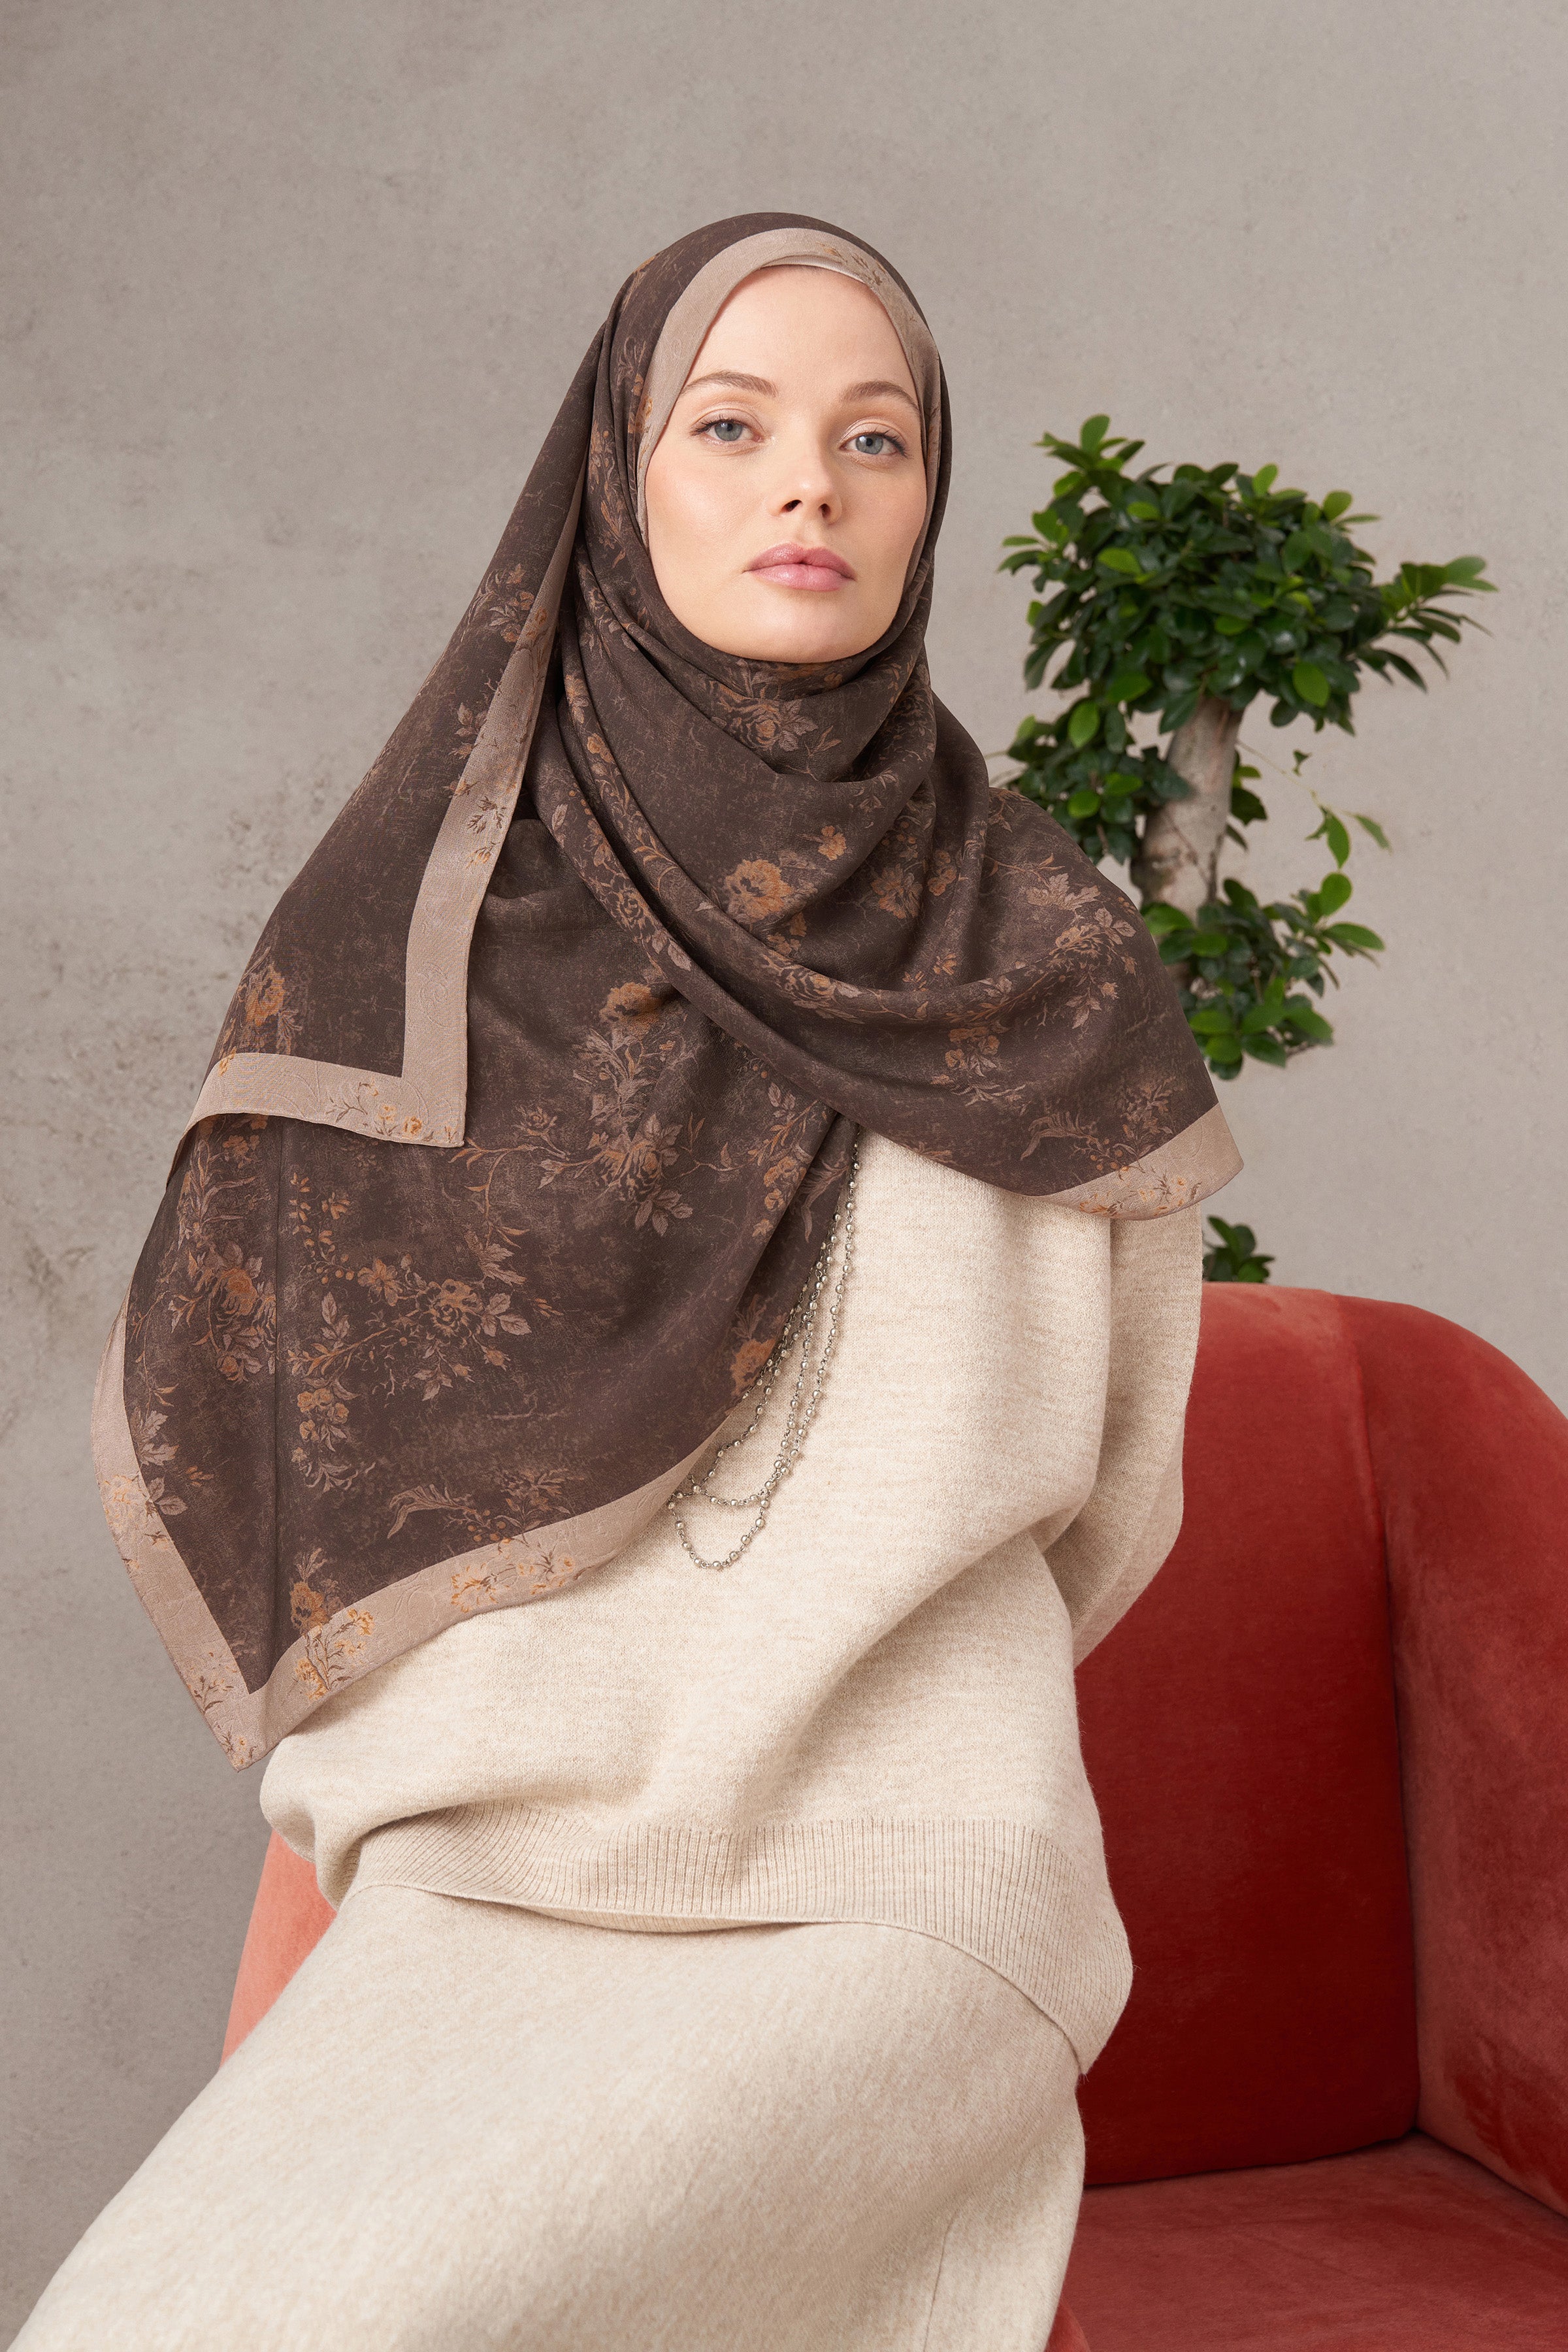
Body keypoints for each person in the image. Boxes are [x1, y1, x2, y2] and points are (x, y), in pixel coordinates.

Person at [19, 212, 1239, 2351]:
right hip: (479, 1893)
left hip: (899, 1894)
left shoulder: (1047, 966)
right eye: (732, 426)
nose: (810, 487)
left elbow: (1114, 1490)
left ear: (930, 497)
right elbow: (300, 1483)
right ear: (617, 471)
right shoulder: (410, 950)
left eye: (877, 438)